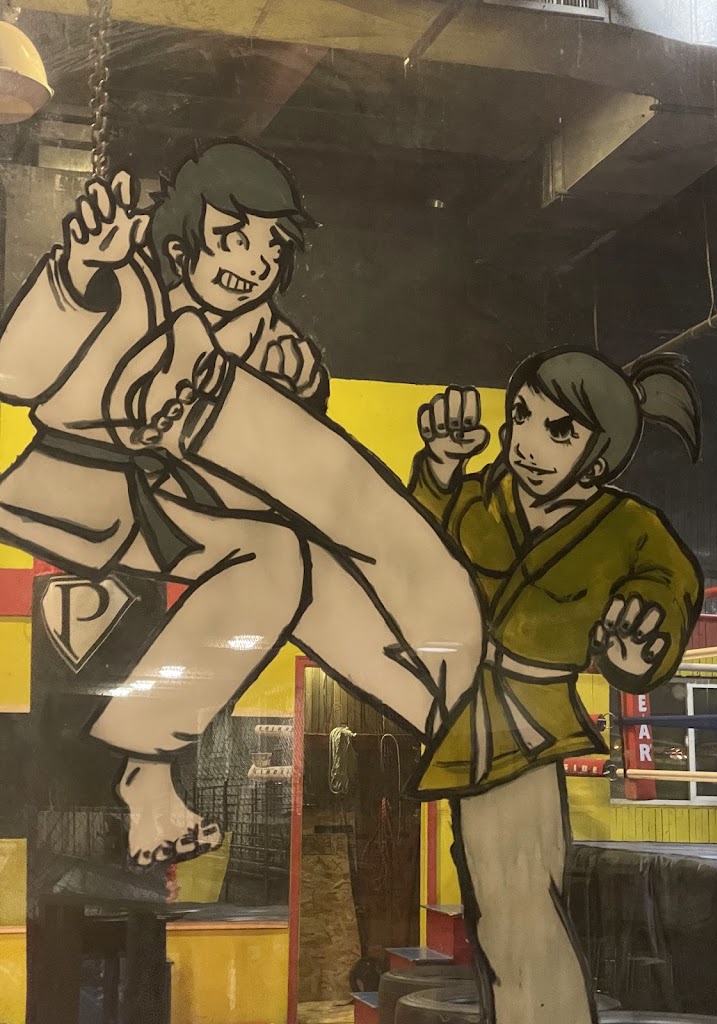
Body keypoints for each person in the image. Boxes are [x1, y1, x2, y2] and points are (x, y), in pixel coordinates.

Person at [0, 142, 483, 867]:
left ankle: (448, 719)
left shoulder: (271, 339)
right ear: (180, 243)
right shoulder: (126, 284)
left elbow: (273, 464)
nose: (253, 262)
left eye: (271, 246)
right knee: (277, 558)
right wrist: (78, 269)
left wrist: (295, 390)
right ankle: (147, 770)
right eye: (232, 237)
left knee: (296, 566)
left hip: (190, 512)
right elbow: (16, 372)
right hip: (89, 491)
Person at [405, 349, 704, 1024]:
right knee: (511, 910)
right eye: (522, 416)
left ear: (598, 459)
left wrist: (639, 645)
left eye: (559, 430)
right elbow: (414, 543)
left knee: (517, 914)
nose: (527, 442)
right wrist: (441, 467)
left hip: (525, 723)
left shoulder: (632, 529)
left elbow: (664, 597)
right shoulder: (482, 498)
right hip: (449, 699)